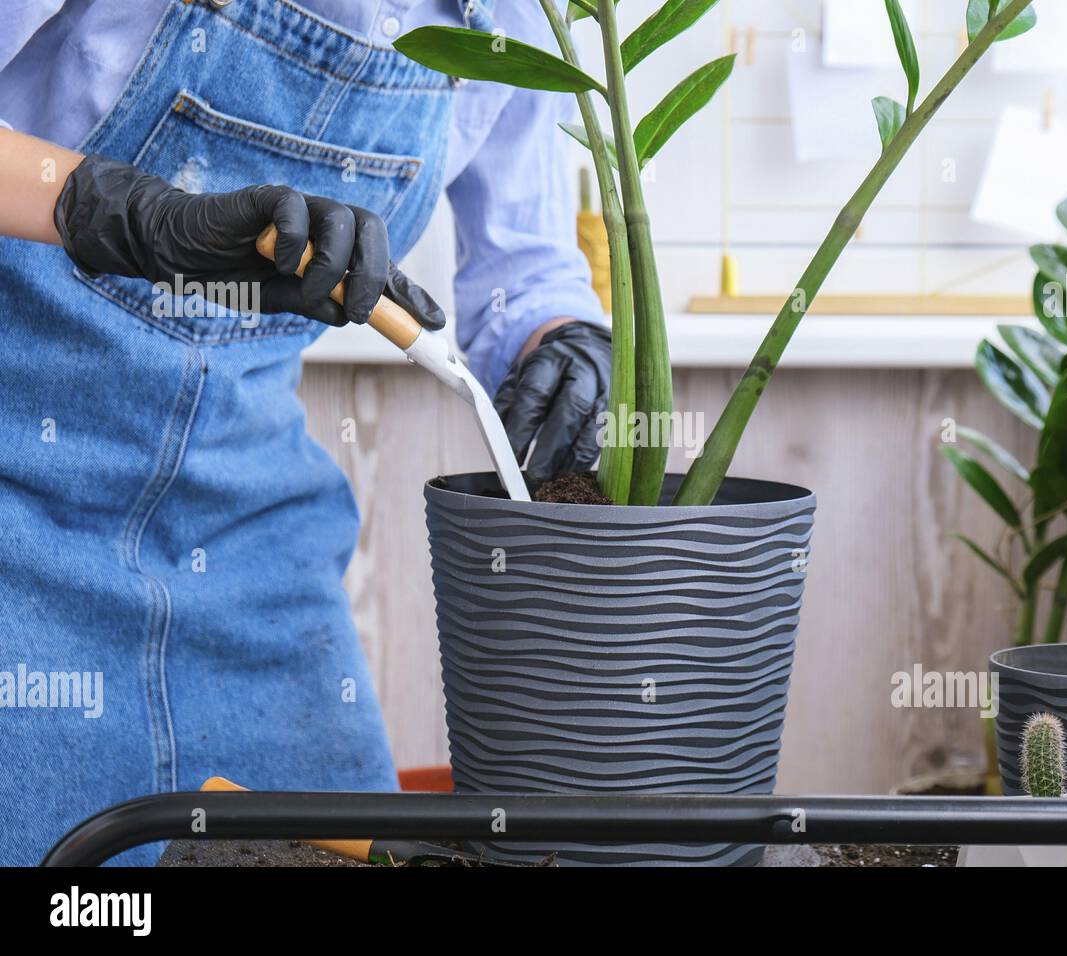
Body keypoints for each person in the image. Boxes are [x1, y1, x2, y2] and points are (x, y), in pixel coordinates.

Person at [0, 0, 611, 866]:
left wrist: (562, 337)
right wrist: (112, 209)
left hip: (249, 538)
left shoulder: (522, 13)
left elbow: (526, 261)